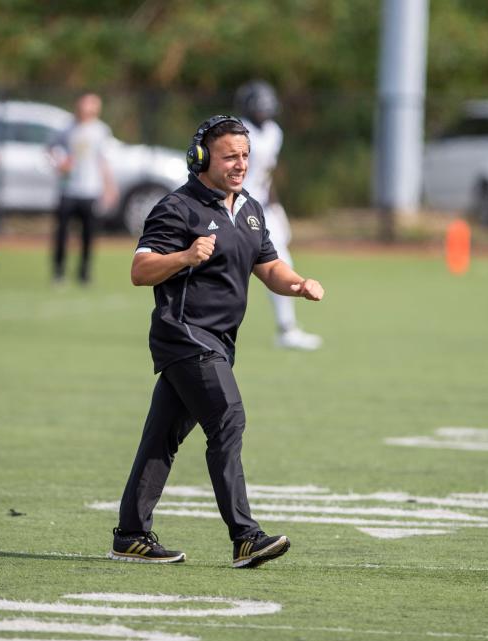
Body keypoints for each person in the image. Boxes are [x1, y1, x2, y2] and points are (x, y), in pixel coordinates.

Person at [109, 116, 324, 568]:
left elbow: (270, 267)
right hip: (184, 336)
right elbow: (139, 270)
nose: (240, 164)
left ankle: (130, 534)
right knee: (227, 418)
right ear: (201, 158)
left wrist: (298, 283)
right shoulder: (177, 208)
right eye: (230, 156)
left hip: (219, 342)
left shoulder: (249, 208)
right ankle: (245, 536)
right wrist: (186, 256)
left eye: (245, 155)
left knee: (161, 439)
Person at [235, 81, 323, 351]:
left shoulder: (274, 132)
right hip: (235, 204)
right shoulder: (237, 131)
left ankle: (287, 328)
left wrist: (276, 206)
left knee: (280, 260)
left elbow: (266, 174)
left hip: (261, 206)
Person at [48, 93, 117, 286]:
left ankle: (84, 273)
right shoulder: (66, 128)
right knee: (62, 234)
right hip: (67, 189)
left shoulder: (101, 130)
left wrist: (109, 187)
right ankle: (58, 272)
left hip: (90, 190)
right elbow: (51, 150)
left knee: (88, 235)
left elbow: (104, 161)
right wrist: (59, 163)